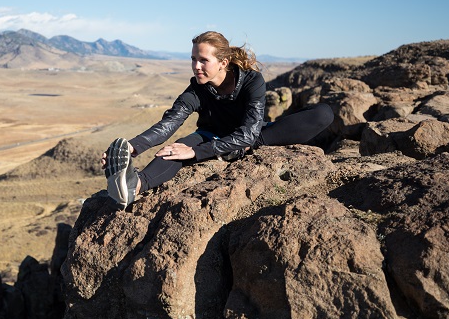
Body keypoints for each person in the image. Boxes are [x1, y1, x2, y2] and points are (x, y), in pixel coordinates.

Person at [102, 31, 334, 209]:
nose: (196, 66)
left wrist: (197, 153)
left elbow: (249, 132)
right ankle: (133, 185)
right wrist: (133, 146)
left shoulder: (252, 81)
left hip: (255, 136)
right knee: (174, 150)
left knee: (323, 113)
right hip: (210, 134)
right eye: (193, 59)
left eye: (203, 60)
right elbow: (169, 124)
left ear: (223, 62)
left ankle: (234, 149)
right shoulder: (195, 91)